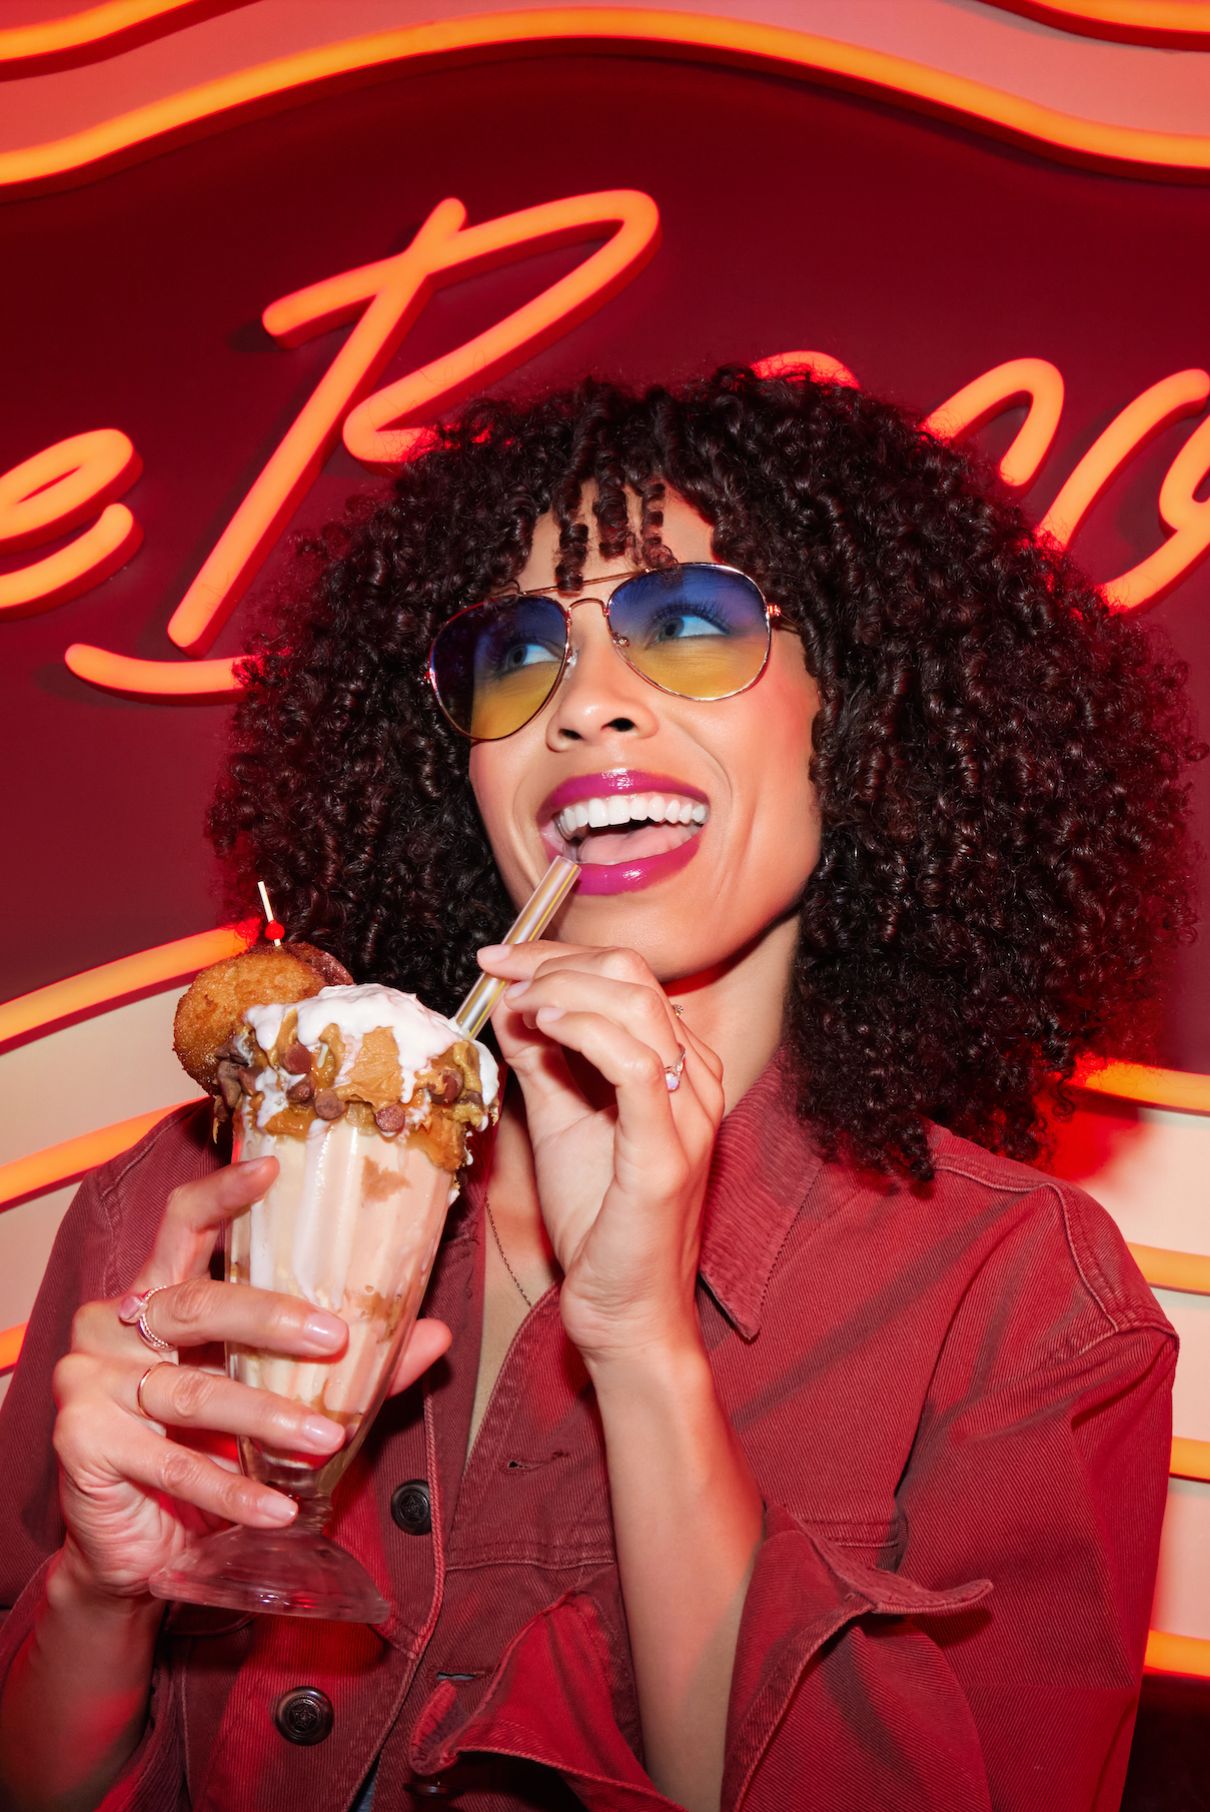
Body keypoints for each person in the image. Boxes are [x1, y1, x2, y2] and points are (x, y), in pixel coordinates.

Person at [0, 367, 1202, 1812]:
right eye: (520, 655)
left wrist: (638, 1347)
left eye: (686, 628)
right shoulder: (190, 1209)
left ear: (861, 708)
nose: (582, 709)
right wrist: (98, 1597)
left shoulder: (1019, 1304)